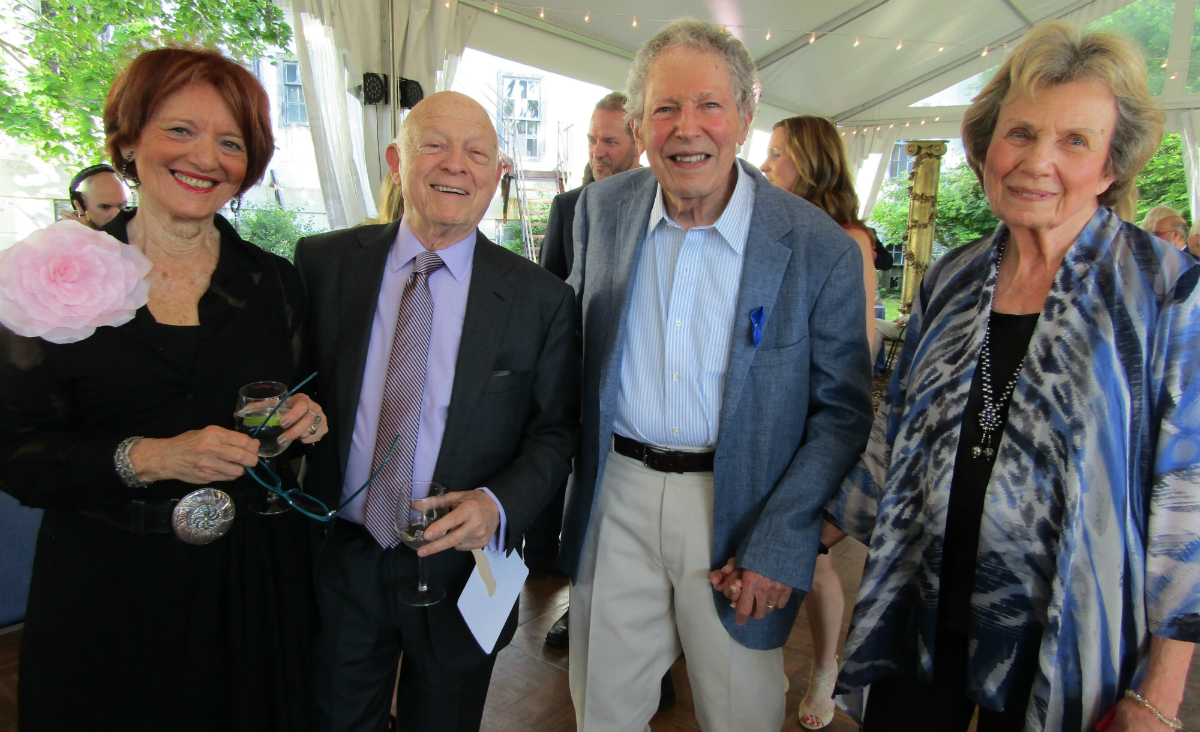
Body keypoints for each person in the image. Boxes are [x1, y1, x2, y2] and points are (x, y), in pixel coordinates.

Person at [827, 22, 1198, 732]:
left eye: (1074, 141)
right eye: (1021, 133)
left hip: (1066, 624)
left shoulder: (1164, 292)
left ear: (1112, 166)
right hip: (921, 594)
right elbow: (894, 429)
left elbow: (1190, 501)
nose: (1037, 162)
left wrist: (1160, 693)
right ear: (988, 145)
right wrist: (789, 545)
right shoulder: (955, 276)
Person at [559, 18, 874, 731]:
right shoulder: (600, 212)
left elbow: (843, 414)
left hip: (740, 512)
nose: (686, 127)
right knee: (602, 712)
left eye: (708, 105)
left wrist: (782, 538)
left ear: (744, 116)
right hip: (618, 494)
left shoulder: (816, 245)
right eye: (665, 108)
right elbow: (571, 353)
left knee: (741, 714)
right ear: (639, 124)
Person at [0, 48, 328, 732]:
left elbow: (292, 405)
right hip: (108, 587)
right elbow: (17, 451)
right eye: (181, 130)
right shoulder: (47, 277)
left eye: (230, 142)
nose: (205, 156)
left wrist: (304, 419)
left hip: (251, 588)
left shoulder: (274, 283)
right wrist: (148, 457)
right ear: (128, 140)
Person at [294, 91, 579, 732]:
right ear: (396, 159)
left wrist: (497, 505)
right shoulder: (324, 264)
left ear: (496, 174)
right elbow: (299, 383)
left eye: (477, 152)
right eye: (435, 145)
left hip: (462, 564)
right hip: (345, 554)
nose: (457, 165)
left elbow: (555, 432)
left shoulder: (541, 299)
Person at [758, 114, 876, 729]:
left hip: (817, 421)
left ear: (810, 162)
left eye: (779, 154)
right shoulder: (768, 226)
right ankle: (764, 655)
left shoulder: (847, 239)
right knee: (762, 541)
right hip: (770, 418)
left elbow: (854, 349)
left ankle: (825, 666)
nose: (768, 164)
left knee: (811, 554)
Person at [536, 89, 641, 646]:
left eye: (610, 141)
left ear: (637, 143)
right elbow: (551, 296)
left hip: (632, 395)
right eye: (594, 140)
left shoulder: (659, 209)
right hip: (575, 377)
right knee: (580, 490)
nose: (599, 151)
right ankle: (575, 597)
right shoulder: (569, 207)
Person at [66, 163, 129, 229]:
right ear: (82, 205)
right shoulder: (65, 235)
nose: (116, 215)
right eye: (105, 207)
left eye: (121, 206)